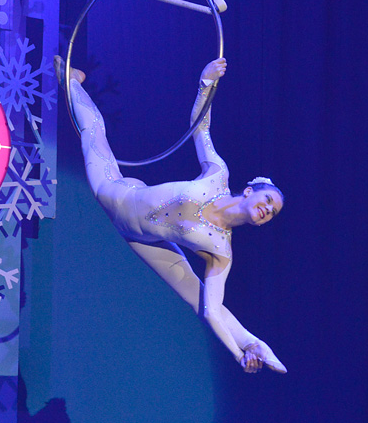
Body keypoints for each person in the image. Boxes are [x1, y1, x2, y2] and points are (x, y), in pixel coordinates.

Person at [56, 55, 286, 374]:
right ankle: (71, 80)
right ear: (249, 191)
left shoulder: (221, 252)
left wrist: (239, 352)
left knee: (197, 296)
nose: (268, 209)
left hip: (147, 242)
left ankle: (256, 344)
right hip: (118, 196)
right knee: (93, 132)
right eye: (268, 200)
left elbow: (211, 311)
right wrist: (206, 83)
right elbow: (200, 127)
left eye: (272, 213)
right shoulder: (217, 175)